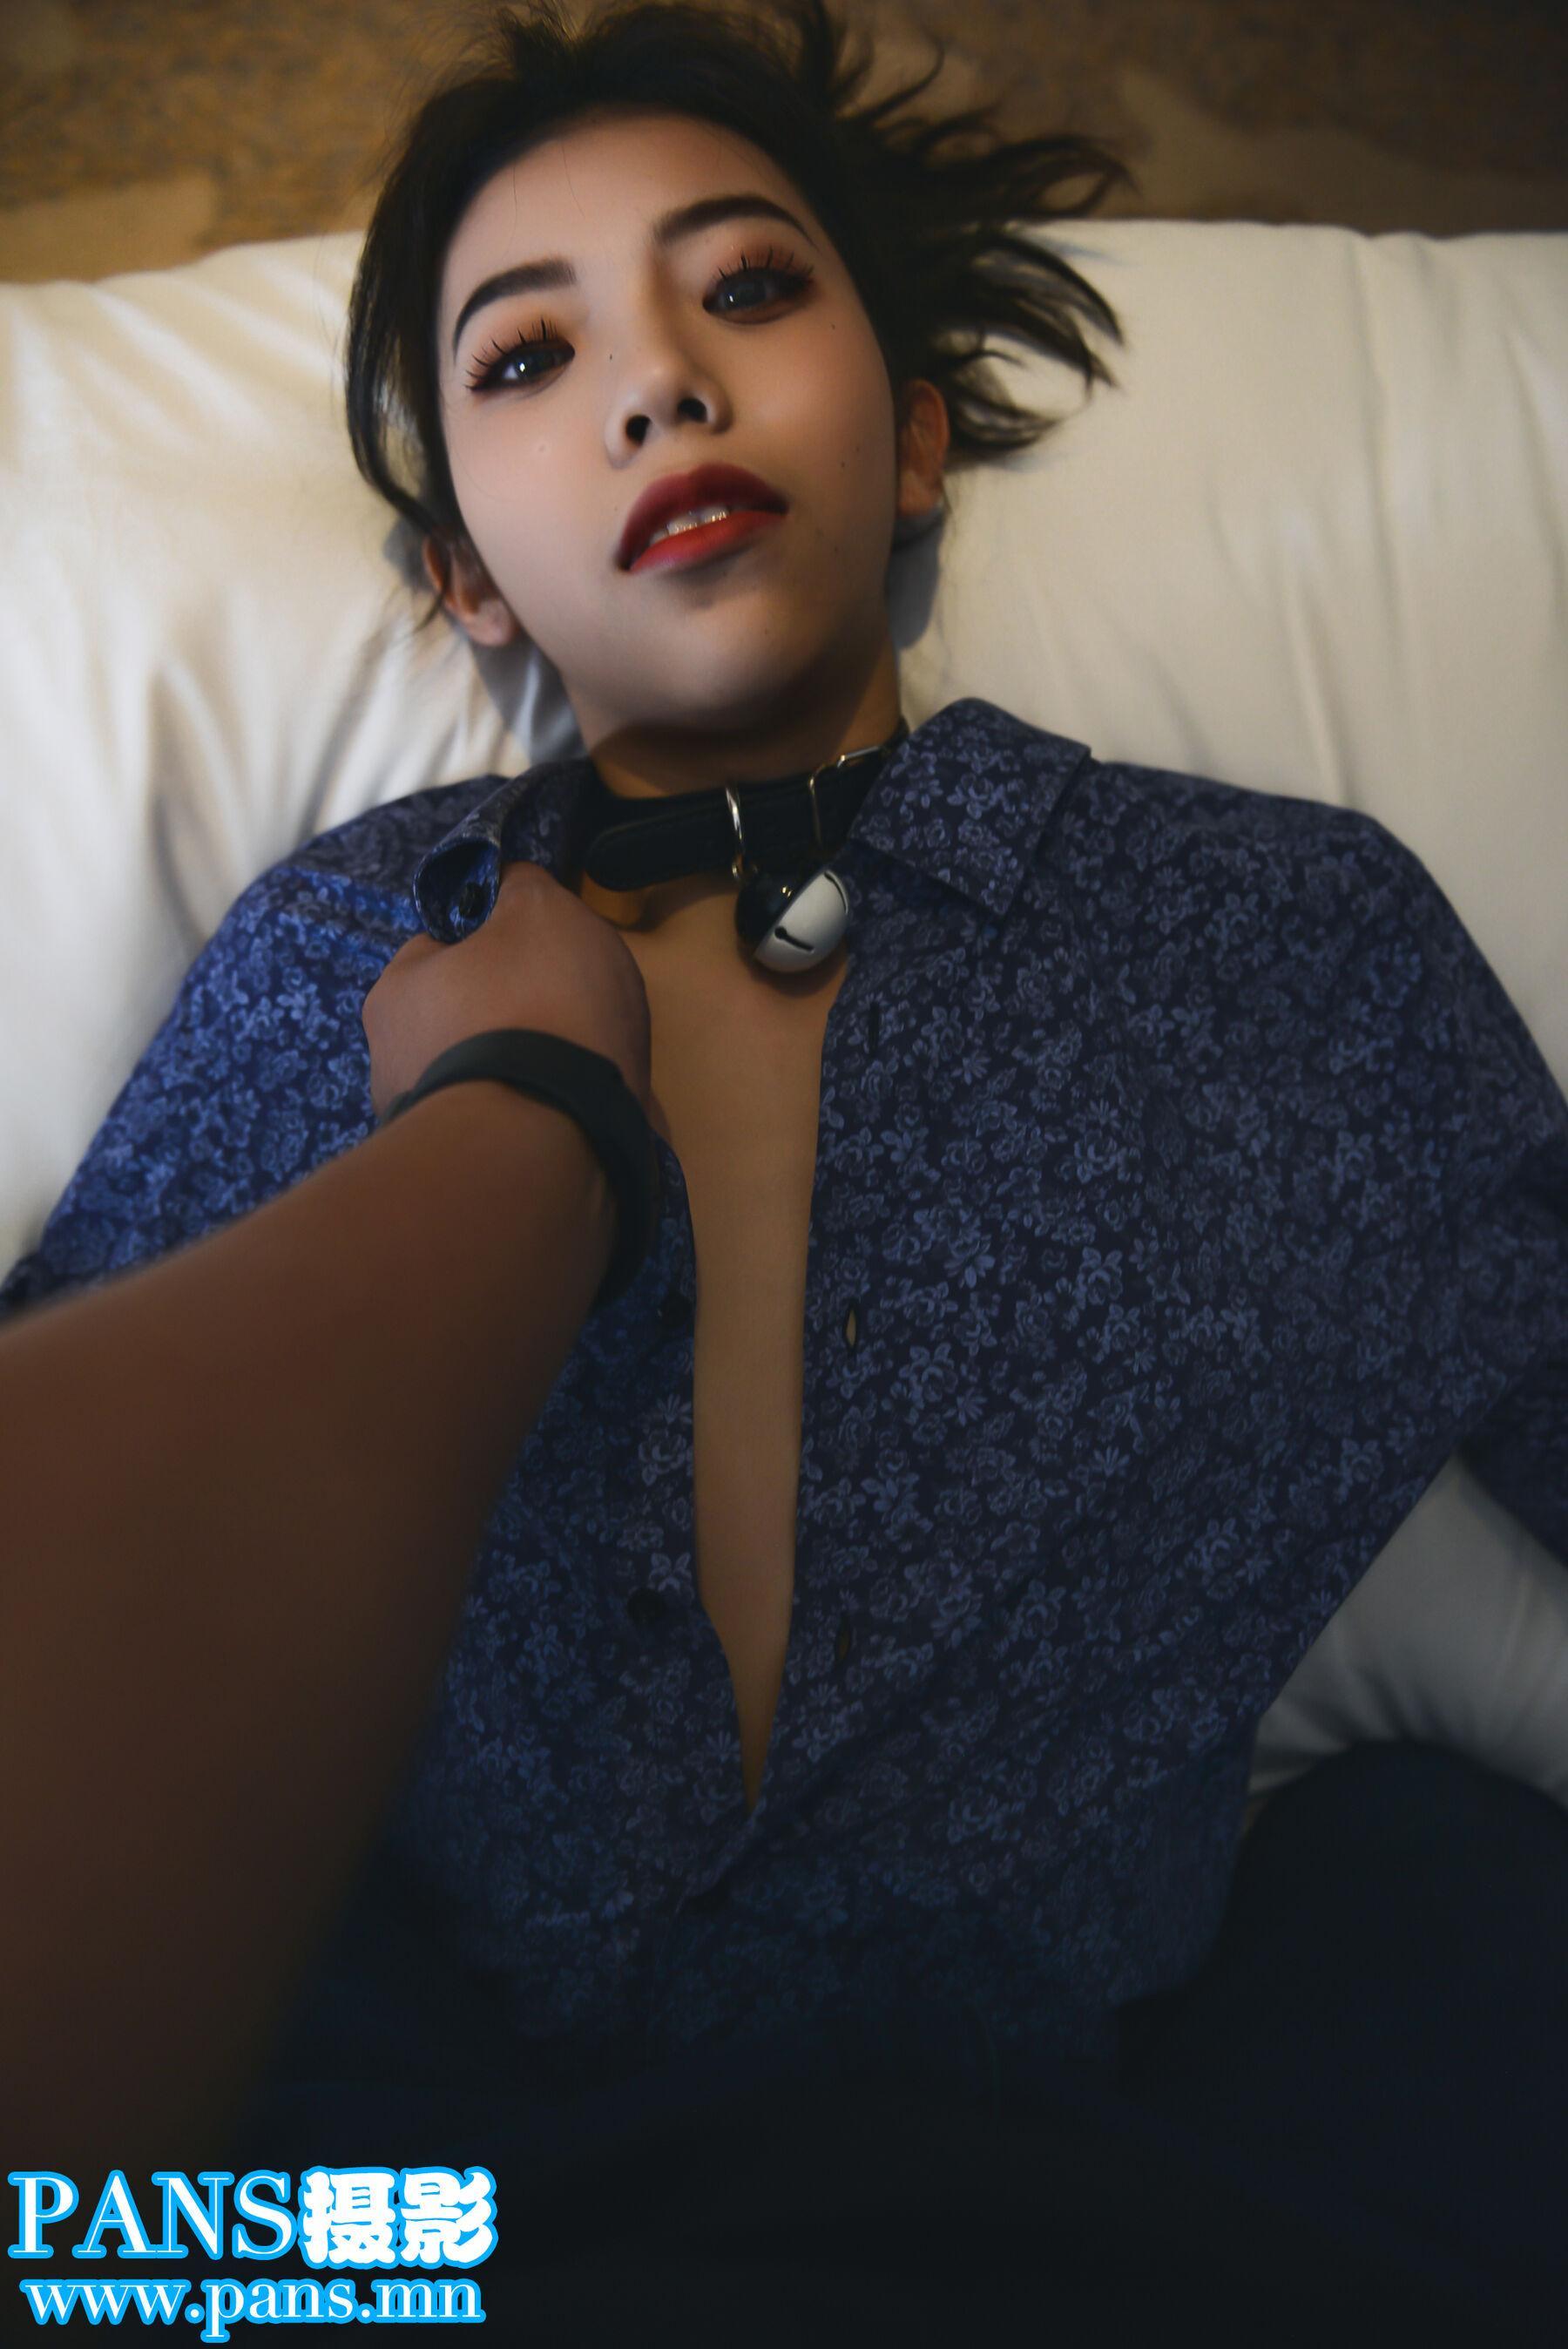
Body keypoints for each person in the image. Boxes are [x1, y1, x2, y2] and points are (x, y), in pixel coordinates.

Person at [3, 0, 1565, 2325]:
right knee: (92, 2256)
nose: (659, 384)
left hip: (1060, 2201)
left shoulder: (1285, 936)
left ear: (915, 442)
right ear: (465, 580)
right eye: (530, 356)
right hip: (405, 2223)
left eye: (743, 287)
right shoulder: (341, 945)